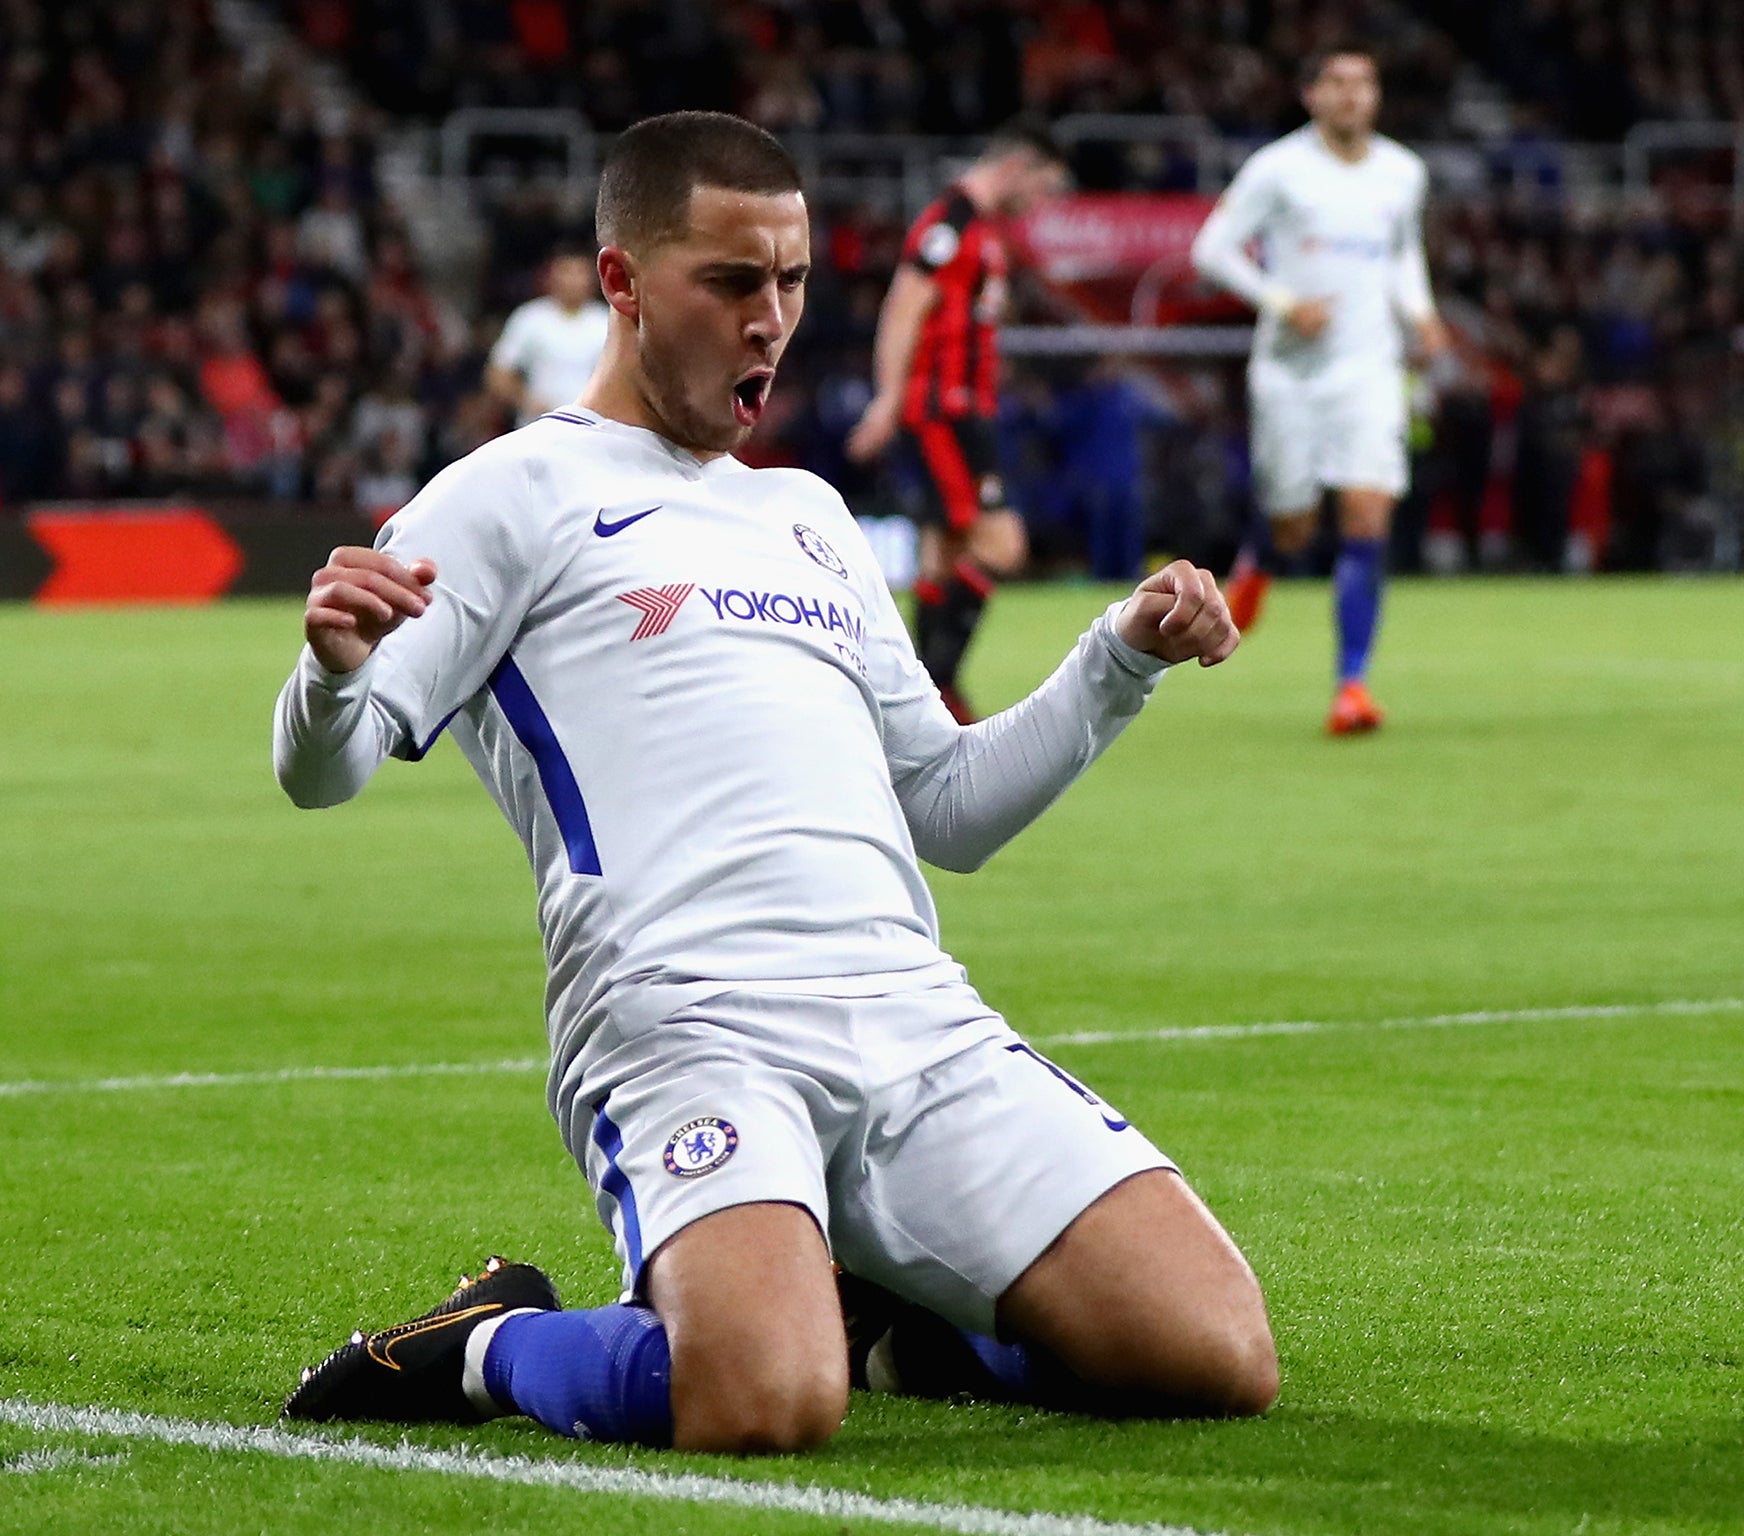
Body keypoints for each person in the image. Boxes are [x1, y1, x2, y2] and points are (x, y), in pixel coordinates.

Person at [273, 112, 1273, 1456]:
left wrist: (1118, 660)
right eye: (733, 282)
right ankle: (493, 1341)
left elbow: (952, 811)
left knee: (1214, 1352)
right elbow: (322, 775)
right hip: (688, 1020)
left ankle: (878, 1324)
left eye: (792, 283)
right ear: (624, 284)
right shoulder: (508, 495)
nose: (772, 321)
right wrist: (331, 674)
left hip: (911, 1017)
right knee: (762, 1403)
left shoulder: (809, 514)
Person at [1191, 46, 1447, 735]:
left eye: (1363, 83)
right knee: (1296, 525)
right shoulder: (1278, 169)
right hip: (1291, 373)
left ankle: (1351, 686)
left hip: (1370, 369)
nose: (1351, 96)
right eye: (1336, 83)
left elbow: (1400, 253)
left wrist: (1419, 313)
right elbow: (1210, 249)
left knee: (1367, 514)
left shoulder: (1403, 172)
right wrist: (1280, 301)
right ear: (1309, 95)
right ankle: (1260, 561)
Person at [845, 121, 1070, 723]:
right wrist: (889, 398)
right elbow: (904, 308)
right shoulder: (951, 223)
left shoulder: (980, 228)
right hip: (946, 411)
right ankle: (939, 688)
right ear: (1019, 166)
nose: (1041, 203)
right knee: (1003, 544)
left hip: (960, 409)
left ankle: (918, 700)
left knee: (941, 553)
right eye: (1043, 187)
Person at [484, 245, 612, 426]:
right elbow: (497, 374)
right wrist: (525, 400)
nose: (573, 280)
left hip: (592, 426)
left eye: (579, 273)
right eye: (566, 272)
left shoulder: (606, 320)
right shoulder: (530, 318)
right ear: (551, 276)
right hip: (539, 426)